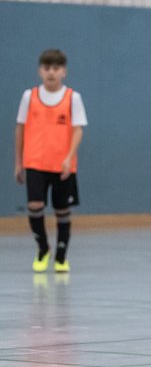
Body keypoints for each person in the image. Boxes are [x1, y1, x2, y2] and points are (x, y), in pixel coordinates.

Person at [14, 49, 86, 273]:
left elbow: (78, 131)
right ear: (40, 71)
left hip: (62, 165)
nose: (51, 73)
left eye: (56, 68)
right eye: (47, 68)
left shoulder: (72, 97)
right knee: (35, 205)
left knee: (62, 209)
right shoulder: (29, 97)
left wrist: (68, 157)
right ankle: (43, 248)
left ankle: (61, 256)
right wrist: (19, 162)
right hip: (35, 161)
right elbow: (20, 129)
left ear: (63, 72)